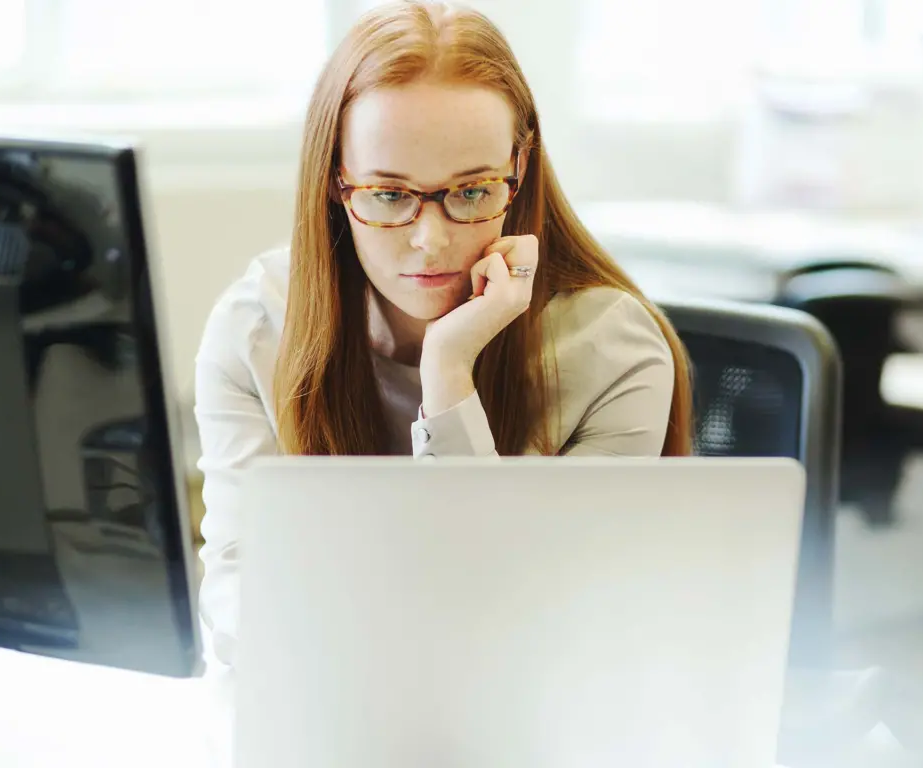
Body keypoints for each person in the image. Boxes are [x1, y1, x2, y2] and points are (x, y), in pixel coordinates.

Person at [194, 0, 694, 667]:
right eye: (390, 195)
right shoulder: (257, 329)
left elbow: (538, 632)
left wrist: (448, 374)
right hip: (329, 711)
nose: (431, 243)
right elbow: (236, 600)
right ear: (335, 185)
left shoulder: (611, 352)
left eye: (472, 190)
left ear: (519, 168)